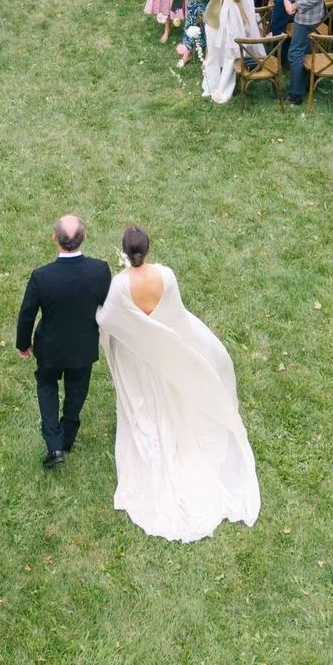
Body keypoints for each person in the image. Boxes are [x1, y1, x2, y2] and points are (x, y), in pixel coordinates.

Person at [95, 226, 260, 541]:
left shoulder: (119, 286)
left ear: (125, 253)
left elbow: (111, 321)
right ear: (147, 249)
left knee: (147, 397)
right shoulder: (166, 276)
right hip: (165, 351)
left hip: (140, 356)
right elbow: (175, 313)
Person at [15, 215, 113, 468]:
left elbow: (27, 313)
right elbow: (108, 307)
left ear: (55, 239)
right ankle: (67, 437)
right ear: (84, 239)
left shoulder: (42, 277)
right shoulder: (100, 270)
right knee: (77, 390)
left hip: (49, 348)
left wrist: (23, 344)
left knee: (47, 386)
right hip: (84, 346)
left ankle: (54, 445)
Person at [199, 0, 260, 103]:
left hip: (233, 22)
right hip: (214, 19)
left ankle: (223, 89)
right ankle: (210, 86)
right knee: (212, 53)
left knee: (229, 56)